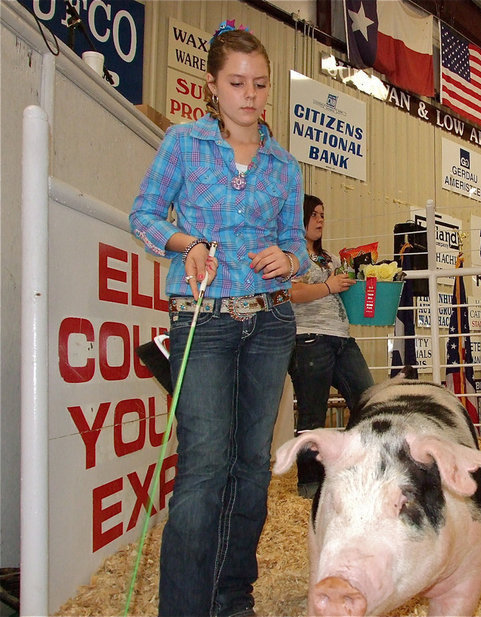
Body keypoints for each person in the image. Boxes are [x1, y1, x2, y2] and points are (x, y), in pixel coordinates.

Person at [129, 21, 308, 617]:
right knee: (205, 463)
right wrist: (187, 243)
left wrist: (288, 258)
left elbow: (296, 247)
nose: (250, 95)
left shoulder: (284, 166)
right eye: (237, 82)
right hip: (202, 318)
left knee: (252, 466)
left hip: (269, 320)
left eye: (259, 84)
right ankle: (183, 608)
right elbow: (145, 214)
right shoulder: (182, 143)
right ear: (212, 85)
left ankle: (233, 601)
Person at [288, 194, 375, 498]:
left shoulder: (331, 259)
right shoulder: (291, 255)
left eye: (323, 214)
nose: (320, 220)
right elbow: (290, 293)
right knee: (312, 413)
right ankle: (310, 485)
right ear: (299, 217)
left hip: (341, 337)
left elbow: (340, 292)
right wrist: (329, 286)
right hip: (309, 338)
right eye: (314, 214)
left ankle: (356, 469)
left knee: (368, 400)